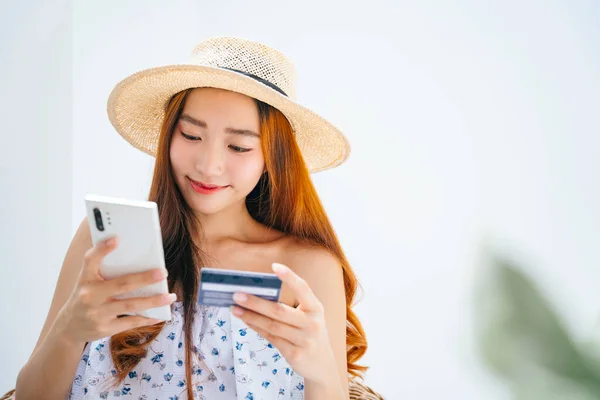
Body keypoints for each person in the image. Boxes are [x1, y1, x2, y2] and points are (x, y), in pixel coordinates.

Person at [15, 36, 367, 400]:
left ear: (271, 158)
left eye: (239, 147)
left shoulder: (306, 267)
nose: (208, 166)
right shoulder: (103, 241)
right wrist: (69, 331)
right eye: (191, 135)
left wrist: (321, 375)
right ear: (170, 134)